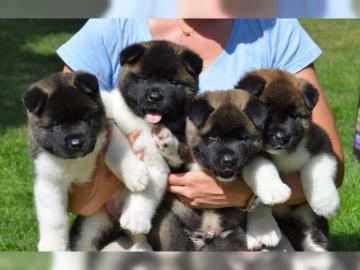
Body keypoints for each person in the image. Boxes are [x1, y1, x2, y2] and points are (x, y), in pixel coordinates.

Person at [57, 18, 344, 232]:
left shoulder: (274, 27)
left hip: (241, 224)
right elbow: (74, 191)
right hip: (129, 214)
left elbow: (330, 160)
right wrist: (122, 167)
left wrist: (246, 195)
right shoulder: (111, 25)